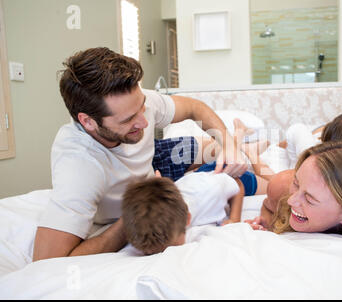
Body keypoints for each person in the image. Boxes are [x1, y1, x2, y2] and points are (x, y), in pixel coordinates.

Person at [32, 47, 248, 261]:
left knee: (233, 153)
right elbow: (47, 261)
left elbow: (195, 108)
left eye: (142, 108)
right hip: (146, 190)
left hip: (156, 159)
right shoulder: (79, 167)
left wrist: (228, 144)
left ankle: (241, 140)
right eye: (128, 120)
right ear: (88, 121)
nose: (145, 123)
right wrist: (132, 219)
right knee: (235, 166)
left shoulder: (135, 103)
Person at [122, 171, 243, 255]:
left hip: (222, 175)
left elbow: (237, 184)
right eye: (148, 253)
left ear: (187, 219)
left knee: (259, 180)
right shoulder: (141, 226)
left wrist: (234, 220)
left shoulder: (209, 191)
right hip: (186, 184)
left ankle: (251, 152)